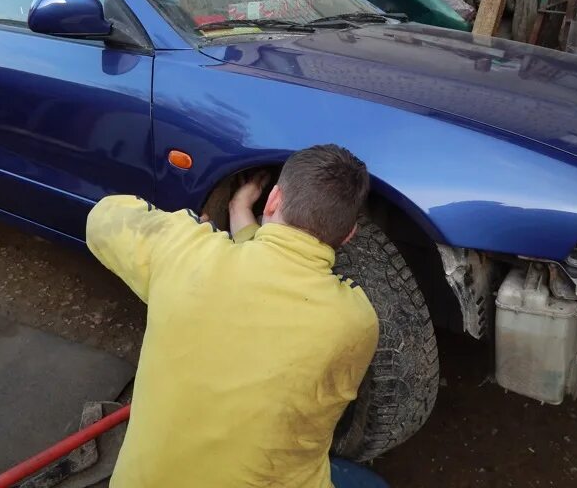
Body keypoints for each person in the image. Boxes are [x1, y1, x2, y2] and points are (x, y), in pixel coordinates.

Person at [86, 144, 386, 488]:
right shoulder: (355, 322)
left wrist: (189, 229)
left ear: (272, 200)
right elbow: (277, 287)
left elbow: (101, 218)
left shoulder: (185, 252)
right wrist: (239, 214)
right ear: (348, 235)